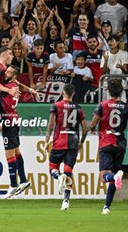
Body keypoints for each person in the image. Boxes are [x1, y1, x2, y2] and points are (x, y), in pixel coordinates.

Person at [0, 65, 36, 199]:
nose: (5, 72)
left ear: (13, 75)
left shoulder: (7, 89)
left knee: (9, 154)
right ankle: (23, 180)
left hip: (9, 121)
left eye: (8, 72)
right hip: (14, 119)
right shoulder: (14, 85)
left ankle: (13, 185)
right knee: (17, 152)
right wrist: (30, 89)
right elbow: (17, 86)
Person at [90, 77, 128, 215]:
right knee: (114, 174)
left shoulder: (103, 105)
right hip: (120, 145)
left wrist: (93, 129)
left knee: (105, 176)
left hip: (106, 142)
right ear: (121, 92)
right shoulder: (127, 106)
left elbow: (93, 124)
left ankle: (113, 181)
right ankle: (106, 207)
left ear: (108, 91)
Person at [44, 83, 88, 211]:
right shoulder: (79, 108)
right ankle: (66, 201)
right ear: (73, 94)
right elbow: (85, 129)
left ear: (63, 92)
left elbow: (51, 125)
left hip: (59, 141)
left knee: (53, 168)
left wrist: (47, 140)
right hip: (73, 142)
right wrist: (81, 143)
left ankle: (58, 177)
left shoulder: (56, 106)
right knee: (68, 171)